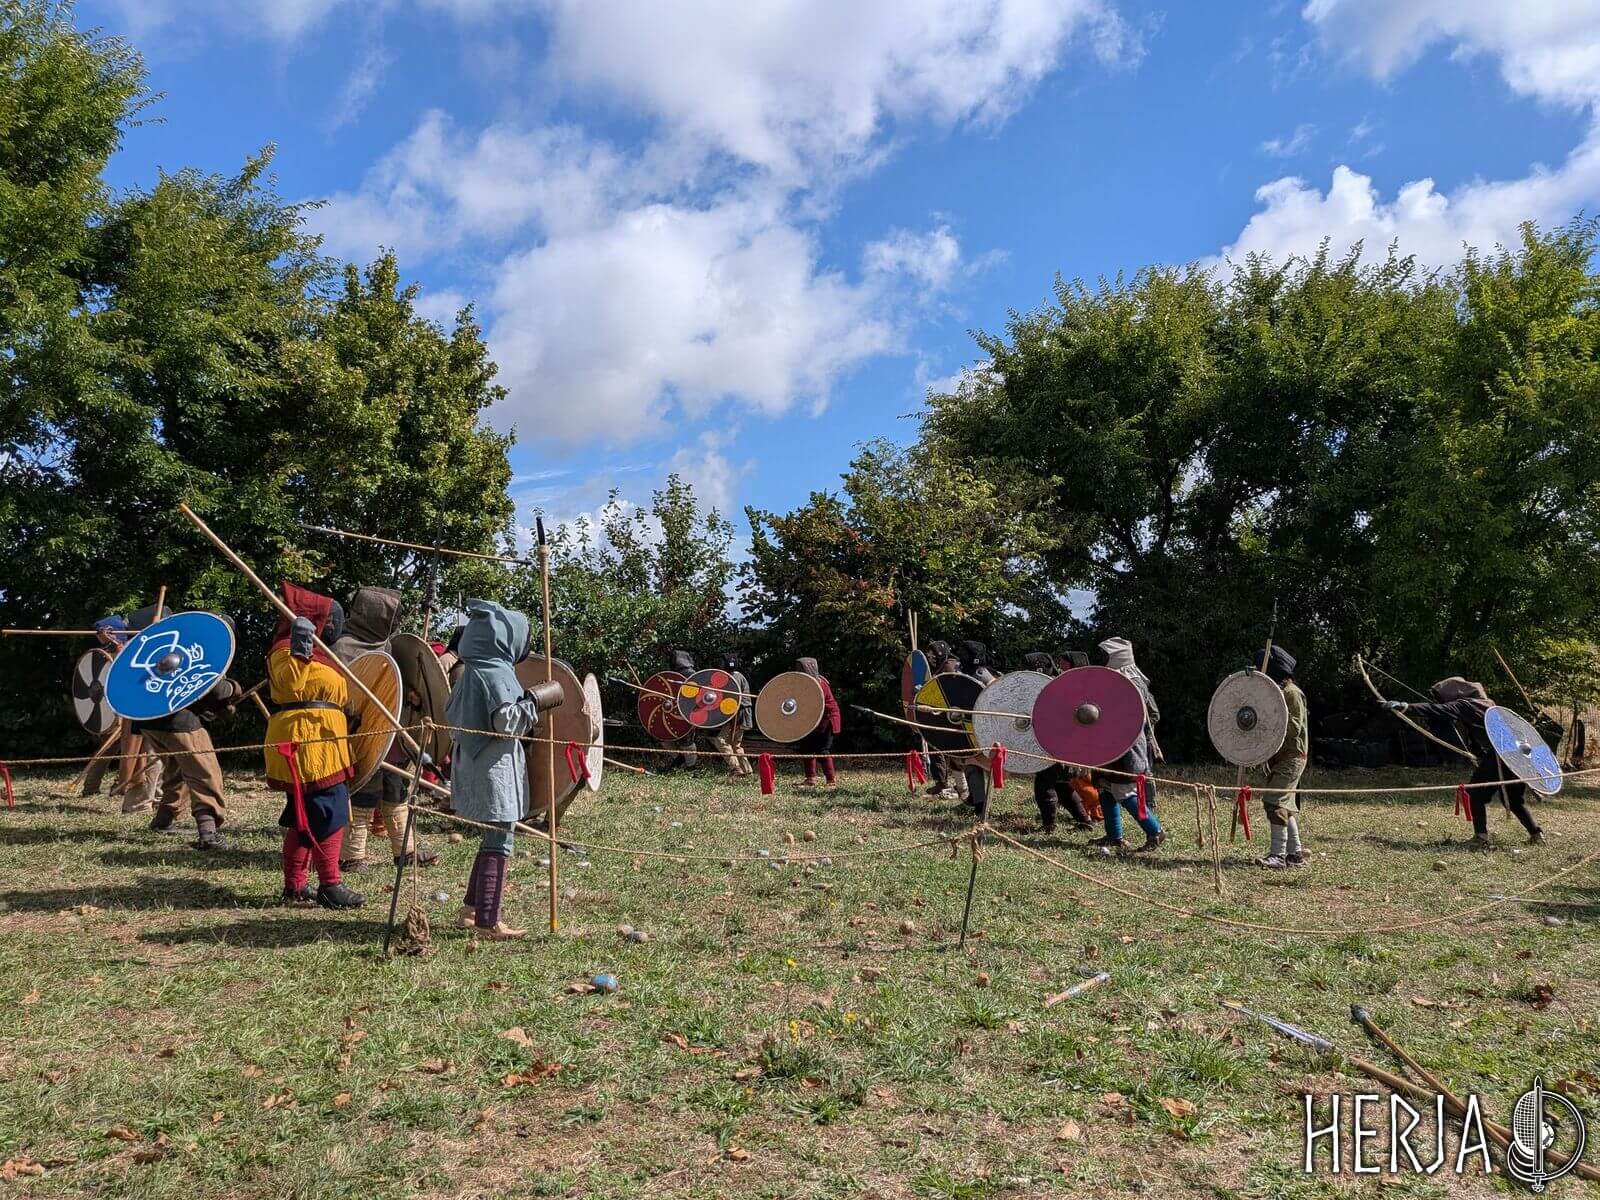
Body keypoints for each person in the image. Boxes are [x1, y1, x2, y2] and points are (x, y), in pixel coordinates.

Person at [446, 599, 547, 940]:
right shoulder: (495, 673)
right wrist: (534, 702)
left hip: (473, 760)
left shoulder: (472, 669)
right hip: (492, 764)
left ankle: (470, 911)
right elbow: (506, 722)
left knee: (493, 836)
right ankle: (489, 922)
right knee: (500, 839)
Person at [265, 583, 363, 909]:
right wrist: (299, 645)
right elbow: (290, 685)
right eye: (329, 620)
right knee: (330, 811)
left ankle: (295, 886)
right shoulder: (285, 649)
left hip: (324, 740)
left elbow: (337, 695)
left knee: (304, 815)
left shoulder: (324, 656)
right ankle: (330, 885)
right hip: (306, 742)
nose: (333, 626)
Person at [331, 586, 436, 873]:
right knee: (364, 793)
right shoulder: (342, 648)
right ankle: (352, 856)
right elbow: (342, 694)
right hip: (360, 733)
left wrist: (412, 692)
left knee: (396, 792)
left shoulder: (387, 646)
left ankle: (406, 852)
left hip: (392, 737)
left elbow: (395, 682)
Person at [1383, 677, 1543, 849]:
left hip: (1500, 756)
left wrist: (1405, 707)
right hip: (1518, 756)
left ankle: (1480, 838)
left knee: (1475, 794)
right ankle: (1536, 834)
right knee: (1513, 799)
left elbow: (1437, 710)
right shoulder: (1490, 705)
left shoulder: (1467, 705)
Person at [137, 616, 241, 850]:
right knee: (206, 773)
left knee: (177, 769)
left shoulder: (173, 647)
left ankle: (163, 820)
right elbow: (215, 690)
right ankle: (208, 833)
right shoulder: (198, 650)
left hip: (150, 722)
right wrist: (233, 688)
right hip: (178, 722)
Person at [1091, 637, 1165, 854]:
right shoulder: (1110, 681)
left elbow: (1148, 715)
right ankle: (1114, 836)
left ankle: (1155, 831)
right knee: (1105, 788)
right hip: (1105, 744)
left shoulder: (1133, 683)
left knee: (1124, 791)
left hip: (1126, 746)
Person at [89, 615, 162, 813]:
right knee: (135, 754)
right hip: (126, 711)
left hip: (144, 708)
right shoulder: (110, 652)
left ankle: (153, 797)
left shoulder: (134, 647)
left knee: (151, 754)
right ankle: (140, 799)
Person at [1021, 652, 1096, 833]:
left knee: (1044, 785)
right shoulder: (1058, 685)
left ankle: (1049, 825)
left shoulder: (1060, 688)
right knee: (1063, 786)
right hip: (1057, 745)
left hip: (1060, 745)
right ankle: (1085, 821)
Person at [1257, 646, 1310, 869]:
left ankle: (1278, 856)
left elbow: (1294, 727)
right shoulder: (1280, 693)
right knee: (1285, 805)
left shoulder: (1292, 693)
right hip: (1282, 758)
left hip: (1292, 756)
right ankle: (1295, 855)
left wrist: (1268, 727)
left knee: (1274, 801)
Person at [795, 657, 841, 786]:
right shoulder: (806, 684)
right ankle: (810, 779)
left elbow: (814, 704)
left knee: (823, 750)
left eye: (800, 669)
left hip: (827, 720)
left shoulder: (819, 684)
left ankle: (831, 780)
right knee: (807, 748)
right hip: (813, 720)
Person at [713, 654, 754, 780]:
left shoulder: (734, 677)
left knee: (720, 741)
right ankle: (747, 771)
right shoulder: (738, 675)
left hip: (738, 713)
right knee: (735, 744)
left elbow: (733, 700)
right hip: (741, 712)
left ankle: (736, 768)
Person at [661, 649, 700, 773]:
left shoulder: (693, 676)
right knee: (663, 736)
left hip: (688, 713)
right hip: (672, 712)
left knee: (686, 740)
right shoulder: (674, 676)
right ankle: (680, 760)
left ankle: (691, 767)